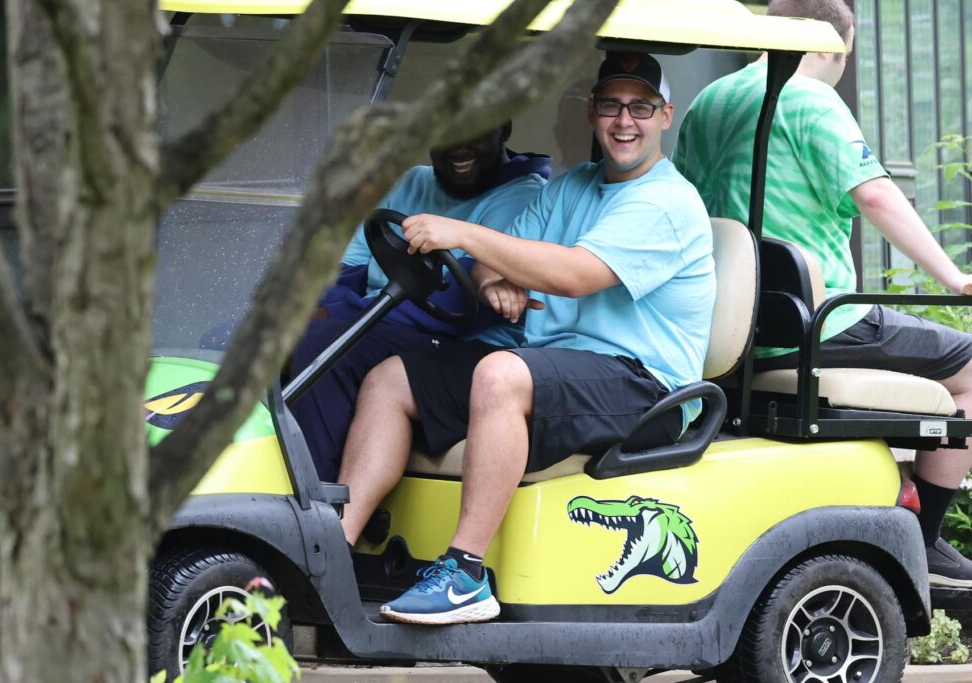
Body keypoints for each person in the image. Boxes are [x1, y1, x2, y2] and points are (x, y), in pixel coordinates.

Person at [338, 52, 715, 625]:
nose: (624, 122)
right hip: (552, 364)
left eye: (640, 108)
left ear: (665, 116)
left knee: (500, 373)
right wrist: (495, 278)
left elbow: (574, 273)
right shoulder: (573, 187)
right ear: (591, 112)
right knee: (391, 378)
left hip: (644, 384)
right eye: (611, 106)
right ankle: (332, 554)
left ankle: (465, 575)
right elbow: (496, 259)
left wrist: (466, 235)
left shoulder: (666, 202)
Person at [674, 0, 972, 589]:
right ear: (832, 47)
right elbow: (877, 197)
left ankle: (895, 495)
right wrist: (955, 278)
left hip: (732, 325)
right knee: (968, 366)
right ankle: (929, 540)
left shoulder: (710, 100)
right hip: (813, 321)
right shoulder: (810, 96)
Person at [289, 124, 550, 481]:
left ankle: (314, 500)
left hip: (463, 339)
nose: (458, 144)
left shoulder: (524, 194)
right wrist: (315, 309)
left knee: (325, 345)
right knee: (234, 338)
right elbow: (349, 268)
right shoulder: (411, 180)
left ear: (504, 129)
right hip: (380, 319)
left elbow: (460, 304)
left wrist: (331, 318)